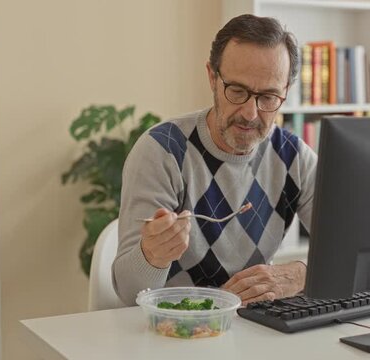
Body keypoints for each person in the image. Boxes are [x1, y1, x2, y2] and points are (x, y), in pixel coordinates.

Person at [113, 14, 317, 306]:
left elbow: (350, 251)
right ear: (212, 77)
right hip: (174, 332)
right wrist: (152, 255)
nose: (250, 113)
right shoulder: (163, 151)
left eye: (269, 97)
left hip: (255, 332)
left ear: (285, 92)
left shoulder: (294, 158)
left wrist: (299, 275)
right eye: (237, 91)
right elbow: (129, 293)